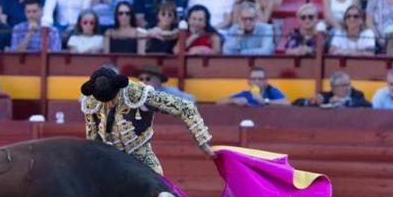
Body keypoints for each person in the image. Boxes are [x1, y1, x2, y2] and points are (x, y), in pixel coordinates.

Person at [79, 66, 215, 175]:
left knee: (159, 190)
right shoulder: (92, 101)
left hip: (139, 154)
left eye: (112, 99)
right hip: (108, 157)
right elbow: (92, 136)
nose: (109, 104)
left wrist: (202, 143)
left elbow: (185, 107)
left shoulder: (138, 93)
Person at [217, 66, 288, 105]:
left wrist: (264, 101)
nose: (256, 81)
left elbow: (287, 103)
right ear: (249, 82)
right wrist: (233, 101)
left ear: (266, 82)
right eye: (253, 79)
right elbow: (219, 102)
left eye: (260, 79)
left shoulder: (271, 91)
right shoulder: (245, 94)